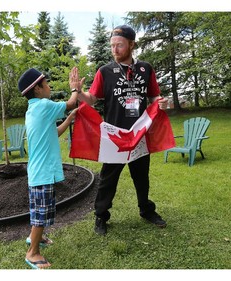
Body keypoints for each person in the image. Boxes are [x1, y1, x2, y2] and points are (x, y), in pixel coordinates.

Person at [70, 25, 169, 235]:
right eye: (112, 46)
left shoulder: (146, 69)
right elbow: (92, 99)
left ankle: (146, 210)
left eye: (119, 45)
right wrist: (78, 92)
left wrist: (162, 103)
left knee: (142, 176)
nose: (114, 50)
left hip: (139, 134)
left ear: (132, 45)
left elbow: (154, 97)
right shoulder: (105, 72)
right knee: (108, 179)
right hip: (114, 136)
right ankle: (101, 216)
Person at [18, 68, 78, 269]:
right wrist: (75, 88)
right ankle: (32, 253)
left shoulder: (34, 109)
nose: (49, 87)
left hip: (38, 171)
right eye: (46, 83)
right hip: (42, 173)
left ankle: (35, 238)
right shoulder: (44, 105)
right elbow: (71, 103)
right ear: (37, 89)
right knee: (41, 213)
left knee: (40, 210)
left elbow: (55, 132)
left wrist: (69, 120)